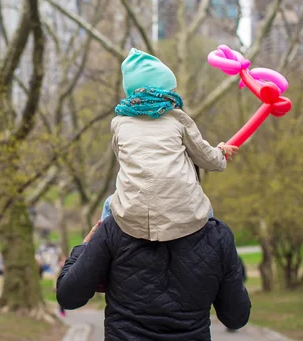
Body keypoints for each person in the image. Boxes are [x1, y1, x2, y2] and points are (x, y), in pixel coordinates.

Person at [99, 48, 238, 241]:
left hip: (134, 218)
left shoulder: (119, 124)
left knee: (110, 203)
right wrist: (221, 152)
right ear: (163, 93)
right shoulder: (178, 119)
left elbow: (123, 159)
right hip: (184, 212)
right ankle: (210, 242)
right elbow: (205, 157)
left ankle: (102, 243)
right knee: (203, 206)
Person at [57, 218, 251, 341]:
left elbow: (68, 296)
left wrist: (82, 248)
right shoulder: (216, 235)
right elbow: (236, 317)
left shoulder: (113, 229)